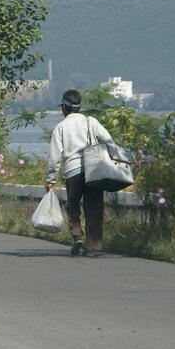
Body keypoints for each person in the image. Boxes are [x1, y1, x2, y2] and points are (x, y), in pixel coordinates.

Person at [45, 89, 116, 257]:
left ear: (64, 107)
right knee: (94, 207)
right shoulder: (91, 121)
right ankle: (93, 246)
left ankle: (77, 236)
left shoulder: (60, 127)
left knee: (73, 206)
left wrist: (51, 180)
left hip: (72, 172)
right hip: (94, 171)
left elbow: (54, 157)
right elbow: (109, 140)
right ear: (79, 107)